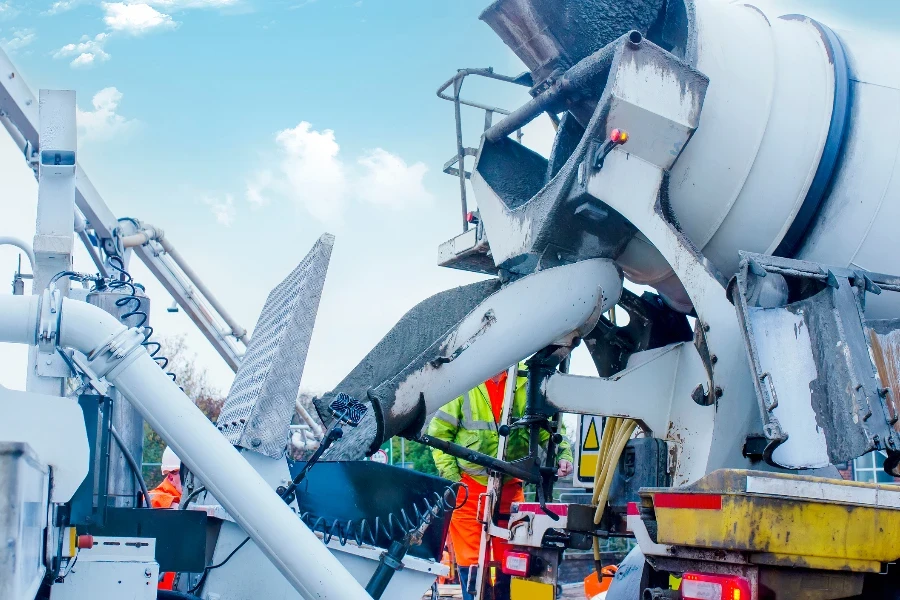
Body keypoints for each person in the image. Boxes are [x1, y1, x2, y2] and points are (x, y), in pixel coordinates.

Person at [427, 365, 574, 600]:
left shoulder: (528, 378)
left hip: (510, 487)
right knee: (472, 561)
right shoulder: (465, 382)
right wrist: (454, 480)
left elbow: (551, 430)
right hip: (469, 489)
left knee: (513, 559)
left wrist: (564, 456)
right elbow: (439, 436)